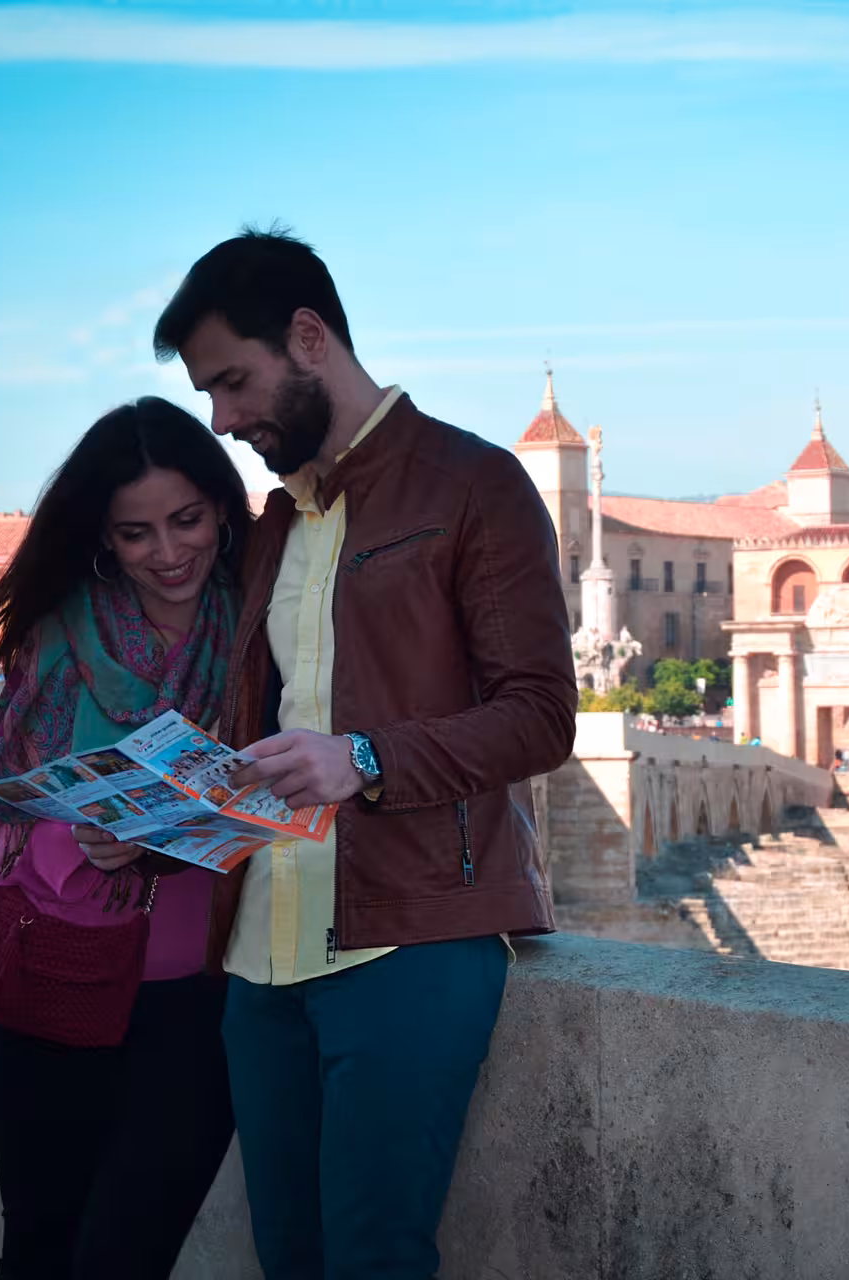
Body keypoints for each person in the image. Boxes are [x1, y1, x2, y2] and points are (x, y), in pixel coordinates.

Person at [151, 228, 576, 1279]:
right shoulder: (267, 527)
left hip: (414, 946)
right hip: (257, 960)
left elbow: (541, 715)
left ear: (309, 338)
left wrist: (366, 759)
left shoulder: (477, 484)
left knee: (376, 1259)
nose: (224, 417)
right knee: (290, 1259)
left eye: (234, 382)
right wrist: (155, 818)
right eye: (210, 394)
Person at [0, 397, 249, 1280]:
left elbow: (289, 803)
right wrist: (90, 829)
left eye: (187, 520)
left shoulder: (262, 630)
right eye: (136, 533)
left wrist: (175, 830)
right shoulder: (56, 633)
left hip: (196, 1008)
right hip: (48, 985)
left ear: (222, 509)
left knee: (125, 1258)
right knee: (38, 1253)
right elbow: (7, 825)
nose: (168, 552)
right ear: (103, 539)